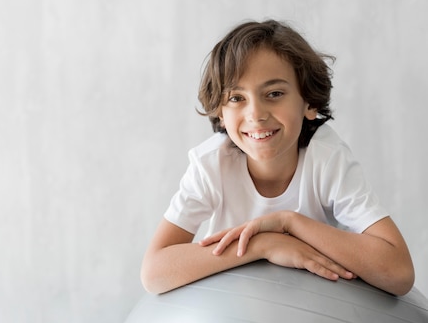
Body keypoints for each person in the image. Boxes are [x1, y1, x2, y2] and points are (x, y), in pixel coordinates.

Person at [140, 19, 415, 296]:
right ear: (221, 113)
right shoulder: (211, 164)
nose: (256, 114)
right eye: (237, 98)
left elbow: (399, 273)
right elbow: (154, 273)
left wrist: (289, 223)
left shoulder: (327, 160)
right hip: (236, 309)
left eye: (274, 93)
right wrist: (265, 245)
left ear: (309, 103)